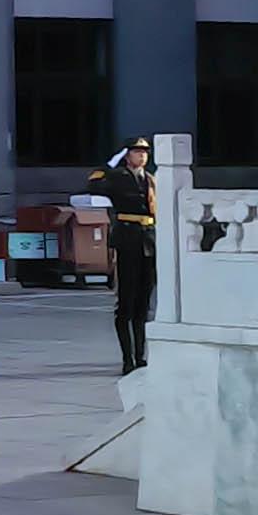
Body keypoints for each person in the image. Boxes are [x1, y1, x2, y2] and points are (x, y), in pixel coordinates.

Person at [92, 140, 156, 374]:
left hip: (148, 242)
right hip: (127, 240)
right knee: (126, 304)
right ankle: (127, 358)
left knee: (143, 304)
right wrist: (111, 164)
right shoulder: (117, 178)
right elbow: (93, 184)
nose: (142, 156)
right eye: (137, 152)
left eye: (145, 153)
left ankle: (140, 356)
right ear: (127, 156)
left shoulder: (151, 180)